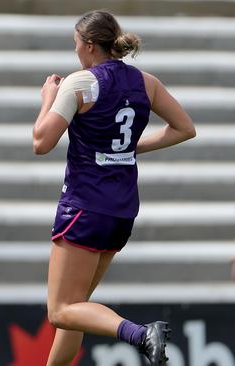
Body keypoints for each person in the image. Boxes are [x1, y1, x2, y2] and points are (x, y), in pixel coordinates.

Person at [32, 10, 196, 366]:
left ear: (90, 46)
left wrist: (48, 97)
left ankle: (140, 333)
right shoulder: (145, 82)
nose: (76, 52)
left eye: (76, 45)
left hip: (83, 208)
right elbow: (185, 128)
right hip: (121, 210)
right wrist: (131, 147)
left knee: (61, 311)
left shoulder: (80, 83)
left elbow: (41, 142)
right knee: (79, 307)